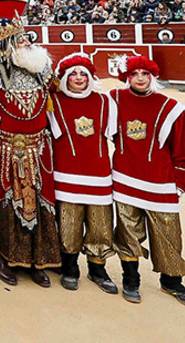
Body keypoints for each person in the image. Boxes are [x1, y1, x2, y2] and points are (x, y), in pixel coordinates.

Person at [109, 55, 185, 307]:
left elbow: (182, 151)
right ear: (127, 76)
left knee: (168, 234)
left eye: (145, 74)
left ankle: (171, 281)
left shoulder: (173, 108)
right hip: (125, 178)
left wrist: (179, 181)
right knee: (128, 232)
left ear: (153, 77)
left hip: (160, 181)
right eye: (135, 73)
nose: (140, 78)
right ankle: (130, 278)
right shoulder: (114, 99)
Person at [0, 17, 60, 287]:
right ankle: (3, 257)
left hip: (38, 148)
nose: (27, 43)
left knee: (36, 200)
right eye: (20, 40)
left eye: (27, 39)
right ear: (6, 45)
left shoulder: (43, 70)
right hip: (4, 149)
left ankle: (37, 259)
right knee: (4, 198)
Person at [49, 53, 119, 294]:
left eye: (83, 74)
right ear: (65, 78)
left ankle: (97, 267)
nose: (78, 78)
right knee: (69, 223)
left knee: (101, 224)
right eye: (73, 74)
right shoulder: (53, 102)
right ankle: (70, 267)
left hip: (99, 174)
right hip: (66, 174)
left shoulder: (105, 101)